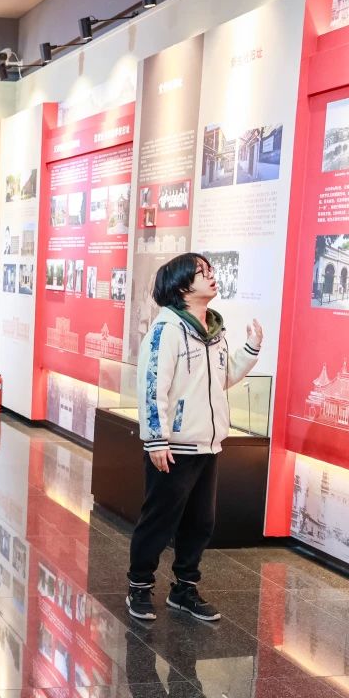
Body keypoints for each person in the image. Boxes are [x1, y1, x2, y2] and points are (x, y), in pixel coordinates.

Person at [127, 252, 262, 622]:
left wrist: (250, 350)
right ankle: (139, 586)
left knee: (201, 522)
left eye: (210, 270)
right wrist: (156, 439)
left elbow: (221, 378)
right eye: (201, 272)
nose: (211, 275)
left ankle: (184, 588)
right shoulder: (167, 329)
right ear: (182, 286)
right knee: (159, 520)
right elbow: (152, 385)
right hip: (173, 446)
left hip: (208, 444)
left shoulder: (213, 331)